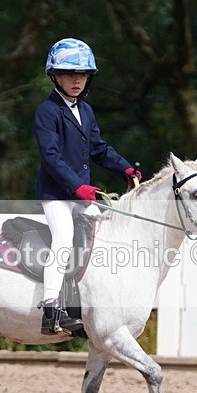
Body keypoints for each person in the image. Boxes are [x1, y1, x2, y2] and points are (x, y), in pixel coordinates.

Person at [33, 38, 141, 335]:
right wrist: (79, 187)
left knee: (104, 239)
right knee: (64, 240)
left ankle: (92, 305)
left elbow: (99, 148)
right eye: (69, 74)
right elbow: (51, 157)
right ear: (55, 75)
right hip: (56, 194)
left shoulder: (86, 110)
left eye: (82, 74)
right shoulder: (47, 111)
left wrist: (126, 168)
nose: (77, 80)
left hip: (80, 194)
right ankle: (52, 309)